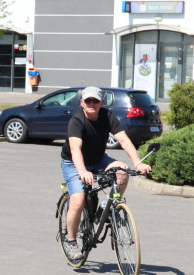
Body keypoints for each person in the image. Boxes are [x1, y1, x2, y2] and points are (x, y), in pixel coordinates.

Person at [61, 86, 151, 263]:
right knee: (78, 201)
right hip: (73, 163)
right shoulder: (77, 121)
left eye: (96, 101)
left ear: (102, 102)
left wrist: (138, 163)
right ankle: (71, 242)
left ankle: (107, 207)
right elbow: (75, 149)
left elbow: (124, 140)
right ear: (82, 103)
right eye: (88, 101)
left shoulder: (107, 116)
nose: (92, 104)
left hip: (99, 158)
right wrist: (82, 171)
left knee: (123, 171)